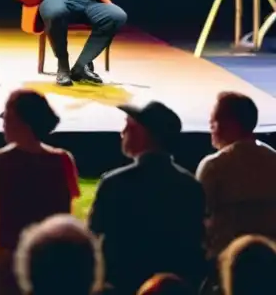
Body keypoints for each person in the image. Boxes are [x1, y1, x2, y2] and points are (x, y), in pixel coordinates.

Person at [88, 101, 206, 295]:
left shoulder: (115, 183)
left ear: (143, 133)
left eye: (128, 125)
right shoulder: (191, 187)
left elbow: (93, 235)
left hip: (121, 284)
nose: (122, 132)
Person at [0, 90, 80, 295]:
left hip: (5, 271)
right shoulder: (64, 161)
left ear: (18, 121)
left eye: (7, 117)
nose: (3, 124)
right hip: (50, 267)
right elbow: (66, 219)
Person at [196, 91, 276, 259]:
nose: (211, 131)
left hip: (226, 263)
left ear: (230, 124)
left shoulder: (215, 165)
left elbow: (197, 216)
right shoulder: (273, 159)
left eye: (213, 124)